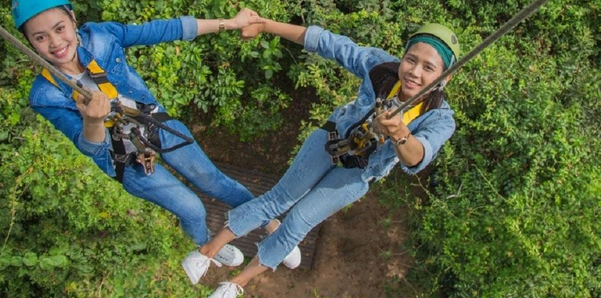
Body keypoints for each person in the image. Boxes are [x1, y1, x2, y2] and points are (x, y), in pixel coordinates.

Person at [10, 0, 301, 271]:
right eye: (40, 37)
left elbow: (163, 29)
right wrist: (92, 120)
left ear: (73, 20)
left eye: (60, 28)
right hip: (122, 158)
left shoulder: (101, 36)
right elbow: (89, 146)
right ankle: (209, 247)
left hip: (153, 124)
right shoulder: (46, 94)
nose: (55, 43)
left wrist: (231, 23)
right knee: (191, 208)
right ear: (29, 42)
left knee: (215, 181)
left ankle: (272, 226)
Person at [181, 17, 460, 298]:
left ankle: (235, 284)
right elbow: (328, 43)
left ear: (445, 77)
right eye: (410, 60)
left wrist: (401, 134)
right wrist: (265, 25)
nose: (414, 72)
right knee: (279, 199)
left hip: (358, 171)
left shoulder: (439, 117)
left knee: (299, 221)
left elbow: (417, 157)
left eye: (428, 68)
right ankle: (207, 252)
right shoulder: (381, 69)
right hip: (331, 141)